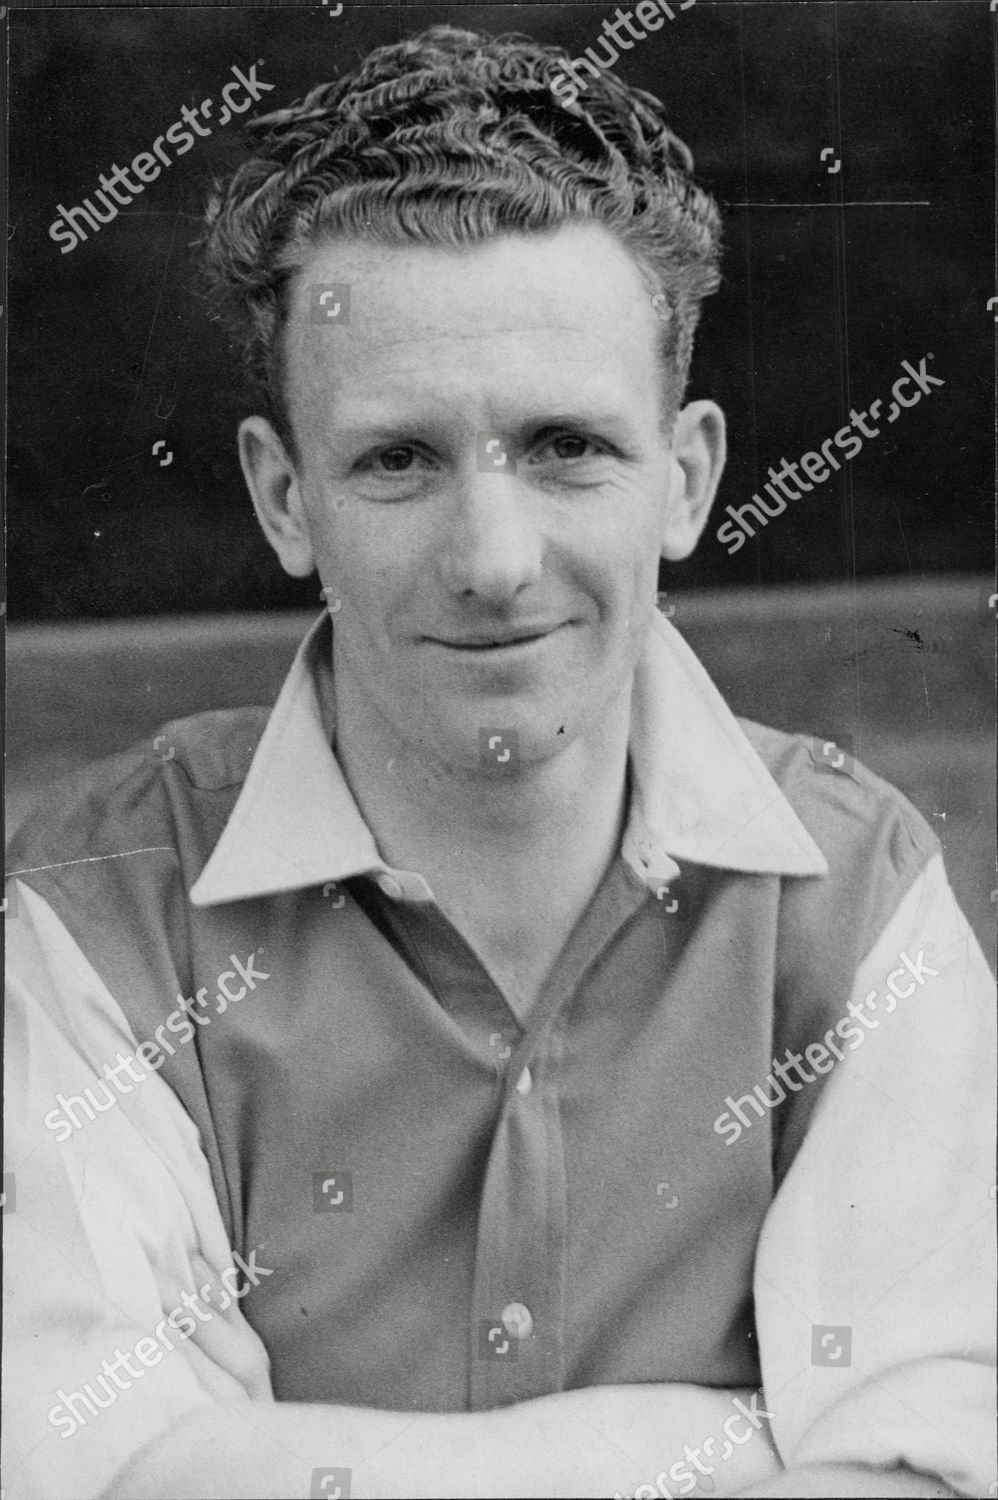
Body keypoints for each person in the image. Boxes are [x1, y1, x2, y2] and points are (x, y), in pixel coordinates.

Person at [3, 24, 993, 1500]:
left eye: (565, 447)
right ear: (284, 499)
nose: (492, 560)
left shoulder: (854, 894)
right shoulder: (90, 911)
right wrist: (699, 1443)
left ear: (687, 477)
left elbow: (945, 1456)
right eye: (397, 459)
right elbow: (74, 1471)